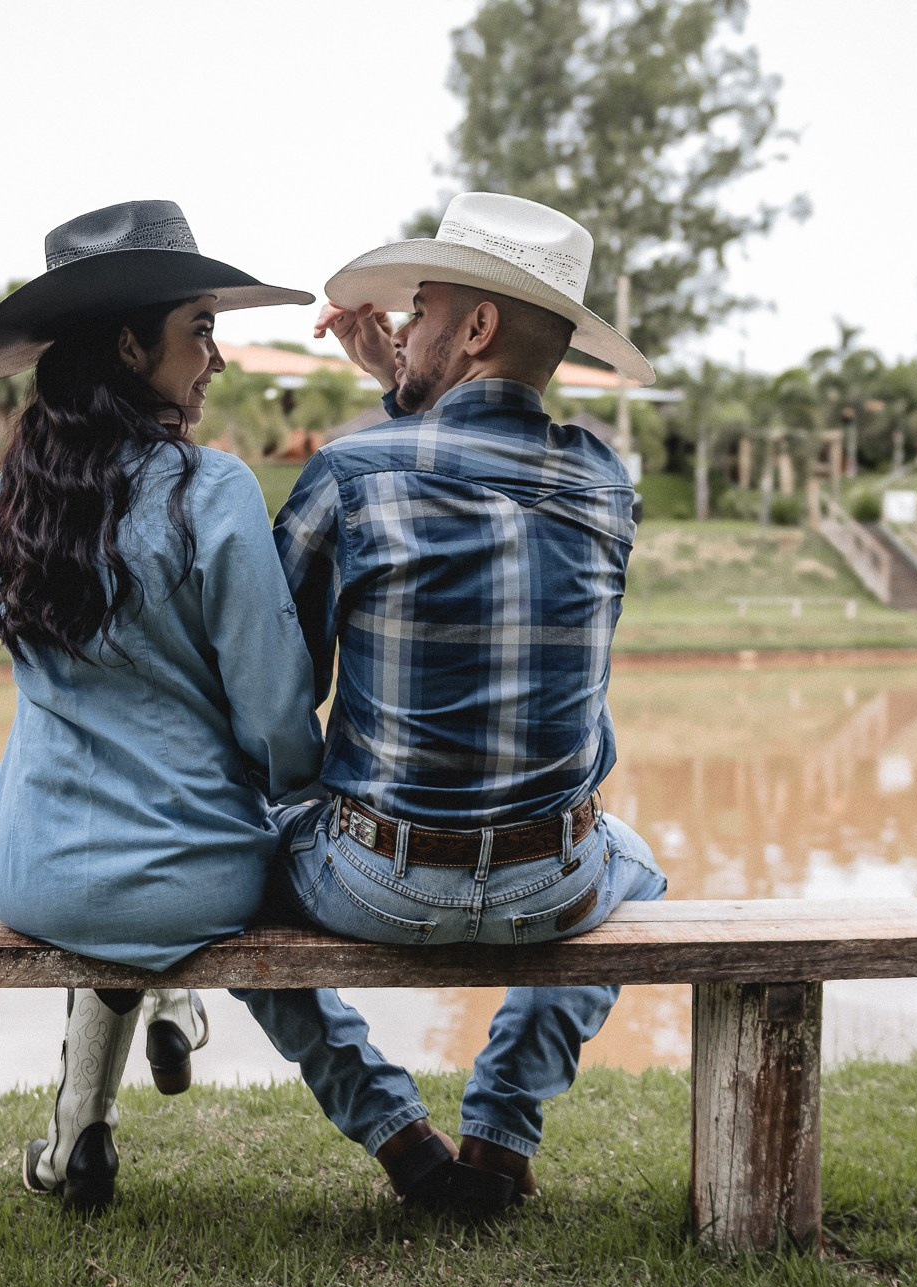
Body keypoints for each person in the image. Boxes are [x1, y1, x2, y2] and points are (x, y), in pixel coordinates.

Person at [233, 192, 670, 1215]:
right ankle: (503, 1127)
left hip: (373, 883)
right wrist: (406, 374)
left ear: (473, 331)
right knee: (640, 869)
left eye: (421, 309)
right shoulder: (605, 483)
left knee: (214, 889)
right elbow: (479, 466)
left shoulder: (347, 475)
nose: (404, 326)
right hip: (552, 880)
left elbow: (277, 687)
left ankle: (392, 1129)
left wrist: (396, 390)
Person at [0, 200, 324, 1212]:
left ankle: (81, 1136)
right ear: (130, 345)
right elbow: (277, 712)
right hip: (193, 881)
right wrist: (294, 798)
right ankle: (166, 992)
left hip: (29, 874)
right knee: (166, 849)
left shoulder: (5, 504)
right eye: (199, 329)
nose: (215, 359)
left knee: (7, 784)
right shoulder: (213, 493)